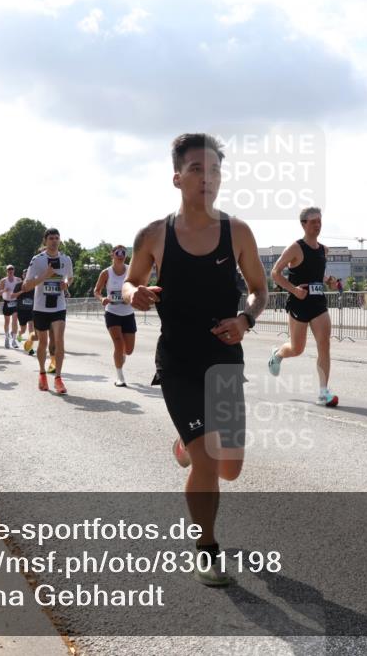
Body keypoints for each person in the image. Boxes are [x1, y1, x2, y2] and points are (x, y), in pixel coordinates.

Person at [123, 133, 267, 586]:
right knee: (209, 462)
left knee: (231, 466)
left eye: (215, 171)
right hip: (179, 361)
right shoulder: (154, 234)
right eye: (197, 170)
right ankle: (206, 548)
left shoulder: (237, 232)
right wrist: (136, 293)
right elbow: (127, 283)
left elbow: (261, 290)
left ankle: (185, 446)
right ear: (177, 177)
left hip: (224, 359)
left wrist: (246, 320)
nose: (207, 179)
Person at [267, 207, 339, 407]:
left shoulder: (324, 250)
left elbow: (317, 274)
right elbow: (275, 273)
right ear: (304, 224)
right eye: (313, 221)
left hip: (318, 303)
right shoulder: (295, 248)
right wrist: (294, 290)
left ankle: (323, 392)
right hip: (299, 302)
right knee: (297, 348)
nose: (317, 225)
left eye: (319, 221)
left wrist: (329, 282)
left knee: (324, 344)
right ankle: (278, 354)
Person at [22, 229, 73, 394]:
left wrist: (66, 283)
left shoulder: (66, 259)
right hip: (41, 308)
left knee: (59, 340)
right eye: (51, 238)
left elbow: (69, 277)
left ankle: (58, 378)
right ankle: (42, 374)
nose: (54, 241)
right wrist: (45, 275)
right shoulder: (37, 260)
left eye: (57, 238)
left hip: (59, 306)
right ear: (45, 241)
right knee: (43, 342)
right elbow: (26, 286)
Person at [94, 245, 137, 387]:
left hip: (128, 313)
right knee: (118, 343)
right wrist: (102, 299)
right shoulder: (106, 273)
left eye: (123, 252)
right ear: (112, 255)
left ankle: (122, 356)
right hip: (112, 312)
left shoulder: (130, 270)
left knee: (128, 350)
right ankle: (120, 376)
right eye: (117, 252)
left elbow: (138, 285)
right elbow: (97, 290)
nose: (121, 254)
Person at [0, 265, 21, 349]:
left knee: (15, 320)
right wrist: (4, 290)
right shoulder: (3, 281)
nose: (10, 271)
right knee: (7, 321)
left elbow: (22, 290)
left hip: (15, 302)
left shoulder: (18, 280)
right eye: (9, 270)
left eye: (12, 269)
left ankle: (14, 340)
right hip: (7, 302)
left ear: (14, 270)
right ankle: (7, 338)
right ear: (6, 271)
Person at [13, 279, 36, 355]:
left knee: (31, 327)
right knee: (23, 330)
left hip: (30, 310)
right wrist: (22, 291)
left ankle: (30, 347)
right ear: (23, 276)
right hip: (21, 310)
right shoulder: (18, 285)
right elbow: (13, 295)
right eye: (25, 275)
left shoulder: (34, 285)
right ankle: (19, 334)